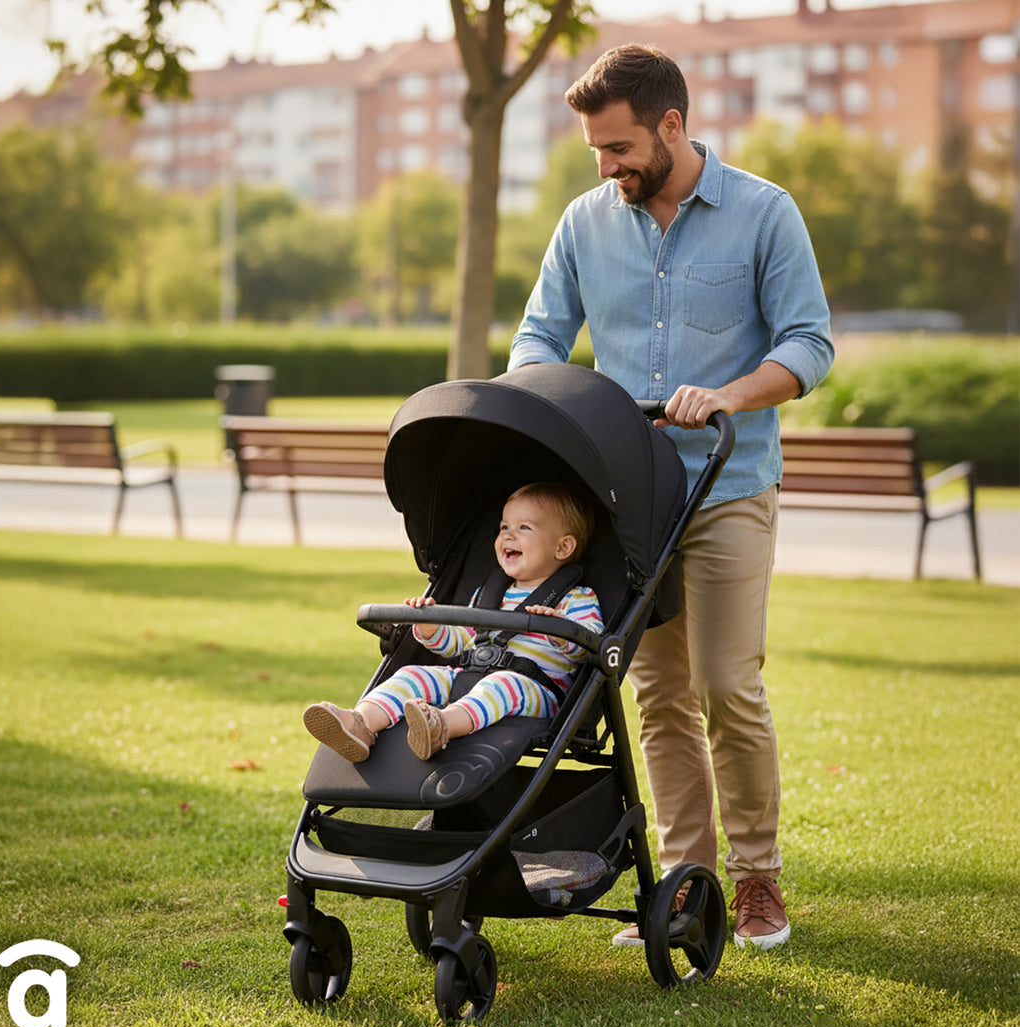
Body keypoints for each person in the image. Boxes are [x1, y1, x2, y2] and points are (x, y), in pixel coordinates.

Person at [508, 44, 834, 951]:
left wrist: (728, 394)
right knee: (657, 696)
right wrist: (547, 401)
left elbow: (809, 344)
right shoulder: (583, 223)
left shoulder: (764, 212)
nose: (605, 167)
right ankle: (688, 887)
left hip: (729, 486)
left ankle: (757, 879)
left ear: (672, 125)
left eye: (618, 148)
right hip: (633, 500)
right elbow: (538, 338)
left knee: (726, 684)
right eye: (594, 151)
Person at [303, 482, 604, 762]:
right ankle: (361, 724)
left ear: (562, 547)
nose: (508, 535)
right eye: (504, 527)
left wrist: (560, 630)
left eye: (524, 527)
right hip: (470, 675)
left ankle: (441, 727)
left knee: (501, 684)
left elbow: (592, 645)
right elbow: (462, 643)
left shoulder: (576, 597)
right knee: (411, 674)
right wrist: (432, 628)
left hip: (535, 690)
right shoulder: (488, 593)